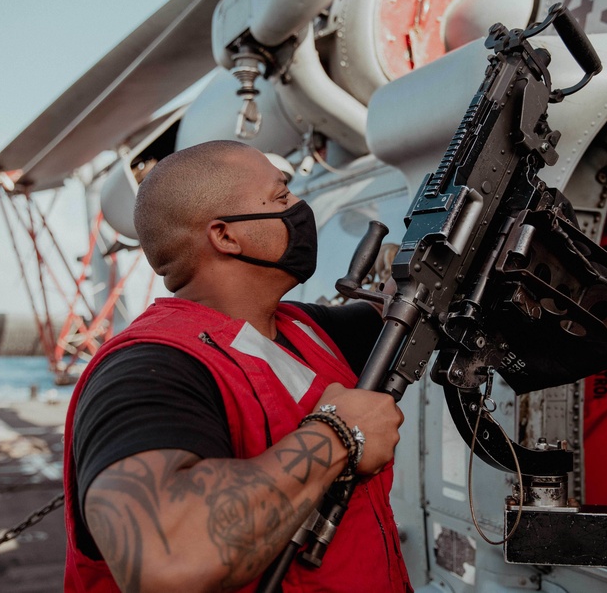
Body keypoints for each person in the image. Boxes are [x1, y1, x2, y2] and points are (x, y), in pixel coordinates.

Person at [62, 140, 411, 592]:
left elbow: (408, 309)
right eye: (282, 198)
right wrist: (340, 435)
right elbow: (165, 555)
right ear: (225, 235)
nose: (298, 210)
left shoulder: (304, 329)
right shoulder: (144, 367)